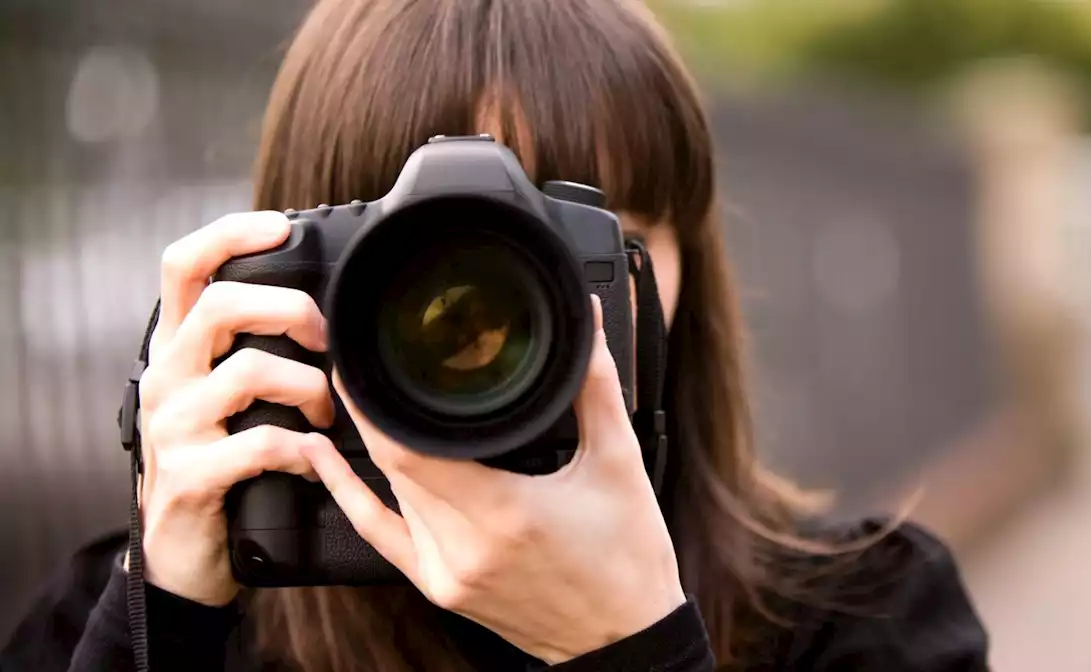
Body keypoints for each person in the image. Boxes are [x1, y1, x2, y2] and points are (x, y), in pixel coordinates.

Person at [2, 0, 990, 670]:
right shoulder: (137, 613)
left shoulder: (862, 617)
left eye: (585, 249)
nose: (499, 327)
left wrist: (632, 643)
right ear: (295, 277)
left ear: (685, 268)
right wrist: (163, 621)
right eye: (434, 276)